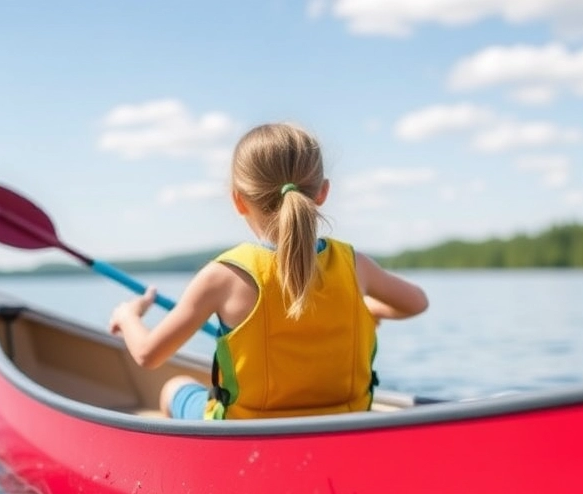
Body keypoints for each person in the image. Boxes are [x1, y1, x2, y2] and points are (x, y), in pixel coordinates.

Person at [109, 123, 428, 420]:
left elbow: (149, 355)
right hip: (344, 421)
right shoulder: (355, 265)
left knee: (172, 387)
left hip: (247, 431)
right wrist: (366, 308)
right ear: (322, 193)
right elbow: (416, 303)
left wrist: (128, 318)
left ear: (238, 200)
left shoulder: (222, 277)